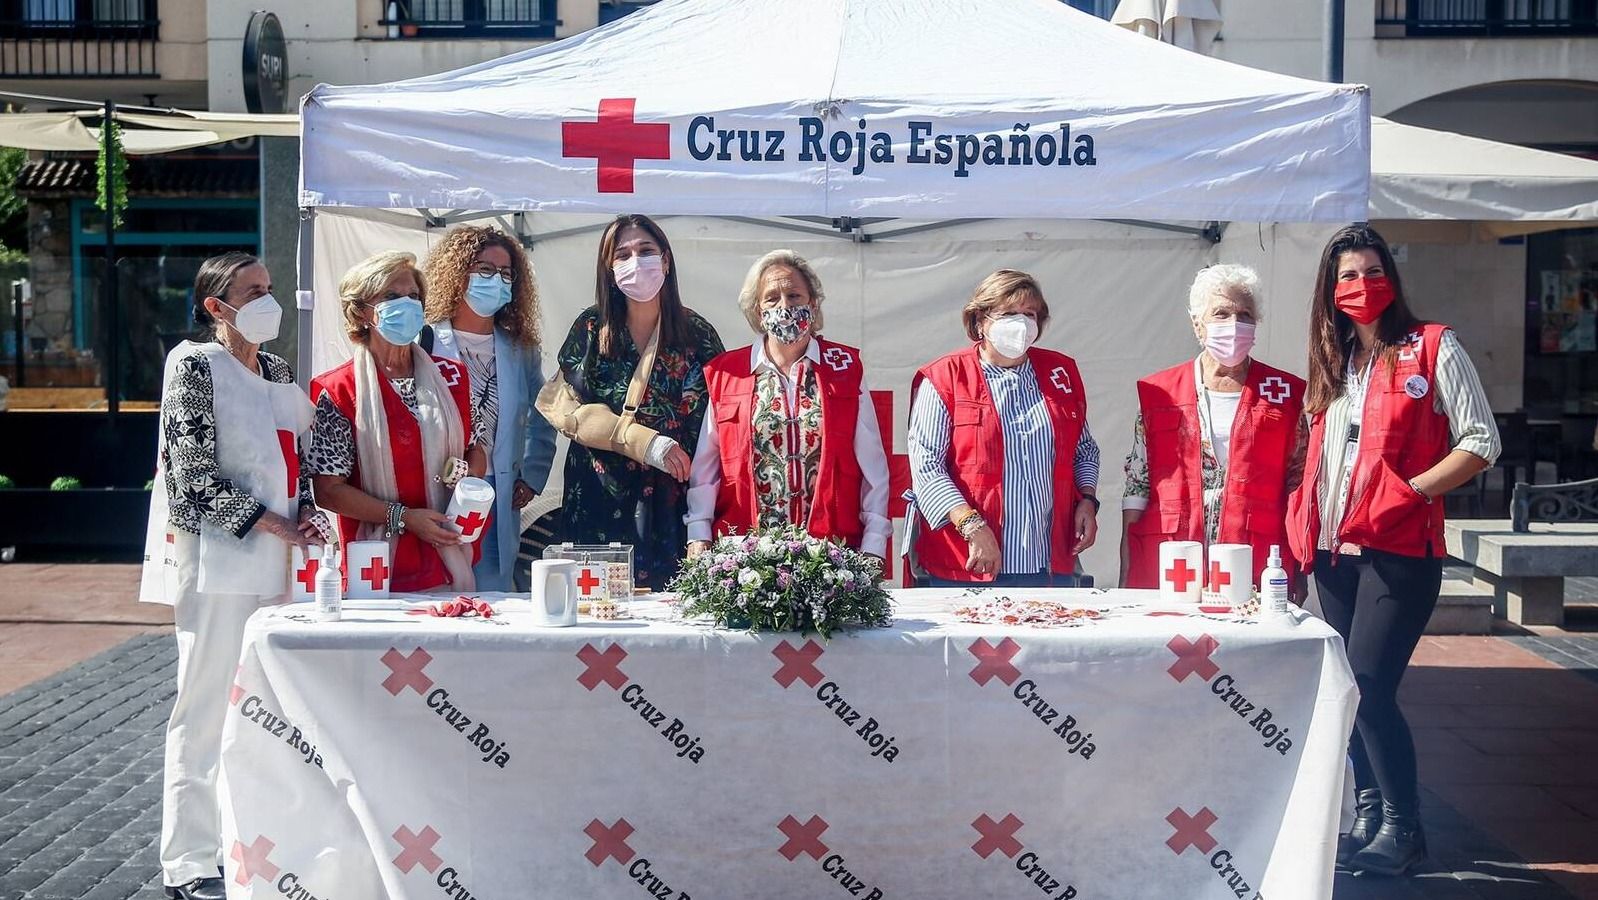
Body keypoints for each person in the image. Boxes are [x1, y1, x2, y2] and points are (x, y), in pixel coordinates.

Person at [1286, 224, 1500, 876]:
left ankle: (1406, 829)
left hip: (1400, 552)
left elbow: (1480, 440)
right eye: (1346, 276)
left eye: (1371, 272)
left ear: (1391, 279)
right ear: (1330, 289)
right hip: (1331, 554)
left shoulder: (1434, 347)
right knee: (1346, 692)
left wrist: (1410, 491)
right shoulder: (1334, 360)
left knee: (1372, 687)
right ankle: (1371, 818)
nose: (1360, 286)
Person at [139, 253, 320, 900]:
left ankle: (253, 846)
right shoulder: (192, 365)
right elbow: (191, 476)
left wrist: (311, 515)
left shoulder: (276, 368)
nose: (267, 301)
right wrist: (275, 523)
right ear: (217, 306)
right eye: (253, 292)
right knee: (205, 707)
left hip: (280, 565)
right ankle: (188, 860)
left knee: (266, 710)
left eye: (270, 289)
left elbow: (306, 450)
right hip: (219, 560)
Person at [554, 214, 724, 589]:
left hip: (672, 506)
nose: (636, 261)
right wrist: (644, 442)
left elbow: (721, 421)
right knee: (596, 614)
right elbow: (566, 411)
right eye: (623, 254)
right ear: (609, 268)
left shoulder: (698, 334)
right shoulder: (591, 328)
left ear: (665, 260)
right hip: (599, 500)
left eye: (646, 251)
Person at [686, 250, 891, 558]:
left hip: (828, 553)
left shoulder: (844, 368)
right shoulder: (728, 373)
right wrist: (698, 533)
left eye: (794, 295)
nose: (785, 306)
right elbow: (707, 467)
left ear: (813, 303)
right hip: (747, 556)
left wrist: (874, 544)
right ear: (757, 311)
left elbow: (873, 465)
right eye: (772, 298)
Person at [907, 269, 1100, 587]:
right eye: (1009, 313)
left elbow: (1085, 450)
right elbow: (927, 467)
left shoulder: (1060, 373)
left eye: (1030, 314)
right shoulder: (945, 377)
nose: (1022, 324)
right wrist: (971, 525)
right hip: (969, 562)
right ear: (980, 320)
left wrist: (1088, 501)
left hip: (1048, 563)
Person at [306, 251, 485, 593]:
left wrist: (467, 483)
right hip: (376, 566)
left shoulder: (453, 377)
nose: (407, 304)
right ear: (361, 312)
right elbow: (329, 490)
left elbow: (476, 447)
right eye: (391, 296)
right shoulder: (337, 390)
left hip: (449, 558)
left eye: (413, 296)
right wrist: (403, 518)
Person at [1121, 264, 1307, 589]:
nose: (1234, 324)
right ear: (1197, 324)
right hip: (1174, 554)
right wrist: (1127, 559)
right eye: (1221, 313)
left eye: (1245, 315)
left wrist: (1297, 570)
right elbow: (1138, 483)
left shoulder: (1283, 393)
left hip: (1254, 553)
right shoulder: (1160, 392)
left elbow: (1298, 484)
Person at [421, 226, 557, 592]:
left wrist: (531, 474)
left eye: (506, 273)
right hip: (438, 487)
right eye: (484, 269)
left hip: (499, 490)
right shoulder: (425, 340)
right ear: (457, 273)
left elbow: (544, 412)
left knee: (494, 590)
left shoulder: (520, 348)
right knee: (441, 587)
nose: (496, 280)